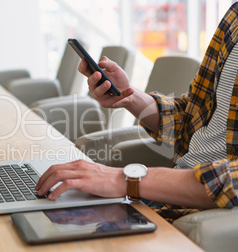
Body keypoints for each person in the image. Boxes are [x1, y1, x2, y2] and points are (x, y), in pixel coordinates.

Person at [36, 2, 238, 222]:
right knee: (40, 215)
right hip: (166, 195)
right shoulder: (234, 17)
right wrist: (128, 97)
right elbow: (190, 121)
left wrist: (124, 179)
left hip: (202, 219)